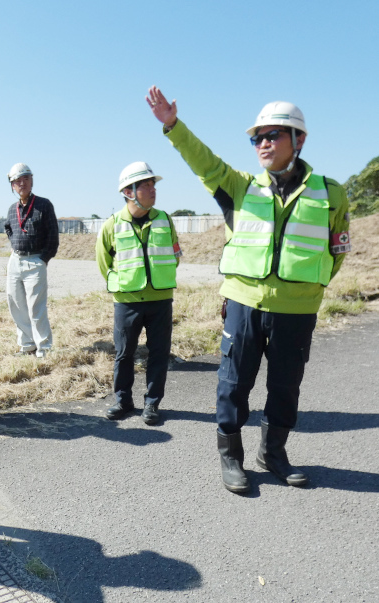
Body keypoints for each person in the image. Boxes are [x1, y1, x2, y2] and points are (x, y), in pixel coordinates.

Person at [146, 87, 351, 493]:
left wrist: (311, 285)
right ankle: (231, 457)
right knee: (233, 382)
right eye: (257, 138)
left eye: (273, 135)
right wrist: (172, 126)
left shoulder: (331, 193)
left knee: (286, 386)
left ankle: (273, 453)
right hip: (243, 304)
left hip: (298, 308)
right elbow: (203, 161)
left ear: (299, 139)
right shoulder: (238, 186)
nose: (263, 144)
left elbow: (337, 249)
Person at [97, 162, 181, 425]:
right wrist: (127, 283)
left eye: (153, 184)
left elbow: (175, 254)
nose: (152, 189)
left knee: (159, 354)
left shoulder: (165, 219)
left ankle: (152, 404)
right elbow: (103, 263)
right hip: (127, 301)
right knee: (124, 354)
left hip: (160, 300)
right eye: (145, 185)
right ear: (128, 192)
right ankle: (123, 401)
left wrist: (159, 278)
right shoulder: (112, 225)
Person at [3, 163, 59, 358]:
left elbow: (53, 236)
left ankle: (44, 349)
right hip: (15, 260)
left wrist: (43, 259)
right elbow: (8, 228)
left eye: (26, 179)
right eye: (17, 181)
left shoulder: (44, 205)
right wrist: (15, 245)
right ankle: (27, 346)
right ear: (12, 185)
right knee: (16, 305)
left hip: (36, 260)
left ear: (32, 181)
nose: (22, 183)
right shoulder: (12, 209)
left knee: (36, 307)